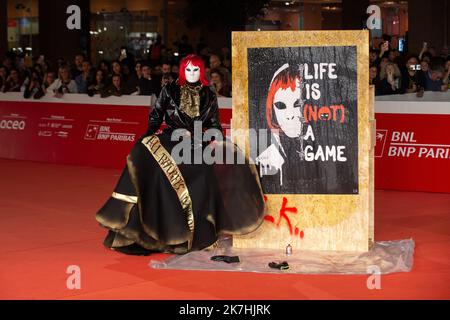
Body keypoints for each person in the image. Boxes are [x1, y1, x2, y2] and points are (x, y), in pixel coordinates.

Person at [95, 54, 265, 255]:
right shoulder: (169, 90)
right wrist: (149, 135)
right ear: (182, 71)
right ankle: (144, 230)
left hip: (198, 144)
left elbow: (214, 123)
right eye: (188, 70)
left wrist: (216, 138)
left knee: (207, 176)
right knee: (149, 165)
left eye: (196, 70)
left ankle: (190, 235)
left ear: (201, 72)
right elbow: (156, 116)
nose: (191, 74)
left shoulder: (209, 93)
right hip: (170, 139)